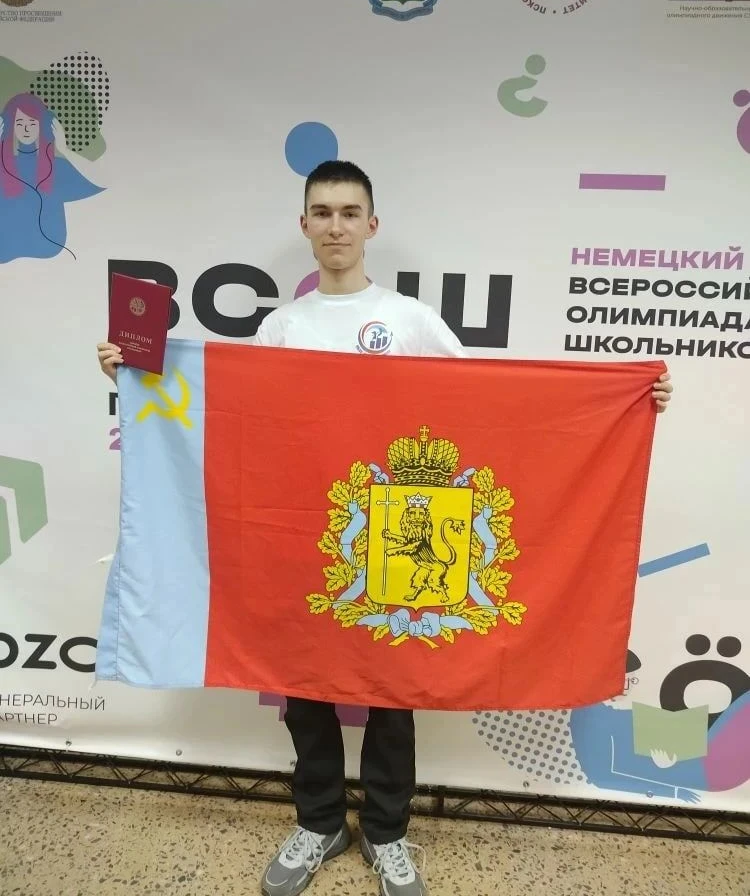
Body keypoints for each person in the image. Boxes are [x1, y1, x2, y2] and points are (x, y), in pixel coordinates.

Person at [97, 160, 673, 896]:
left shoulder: (410, 320)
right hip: (306, 535)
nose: (335, 225)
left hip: (398, 532)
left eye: (349, 212)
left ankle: (389, 832)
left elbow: (486, 407)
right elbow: (233, 417)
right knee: (303, 682)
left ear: (371, 225)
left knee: (396, 688)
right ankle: (319, 822)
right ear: (304, 224)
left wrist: (630, 397)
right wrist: (134, 375)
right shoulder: (283, 326)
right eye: (322, 212)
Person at [0, 92, 103, 263]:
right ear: (9, 126)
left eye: (32, 123)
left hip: (49, 252)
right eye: (20, 123)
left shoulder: (56, 167)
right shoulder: (3, 167)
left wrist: (65, 149)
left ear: (44, 125)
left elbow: (100, 182)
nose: (26, 129)